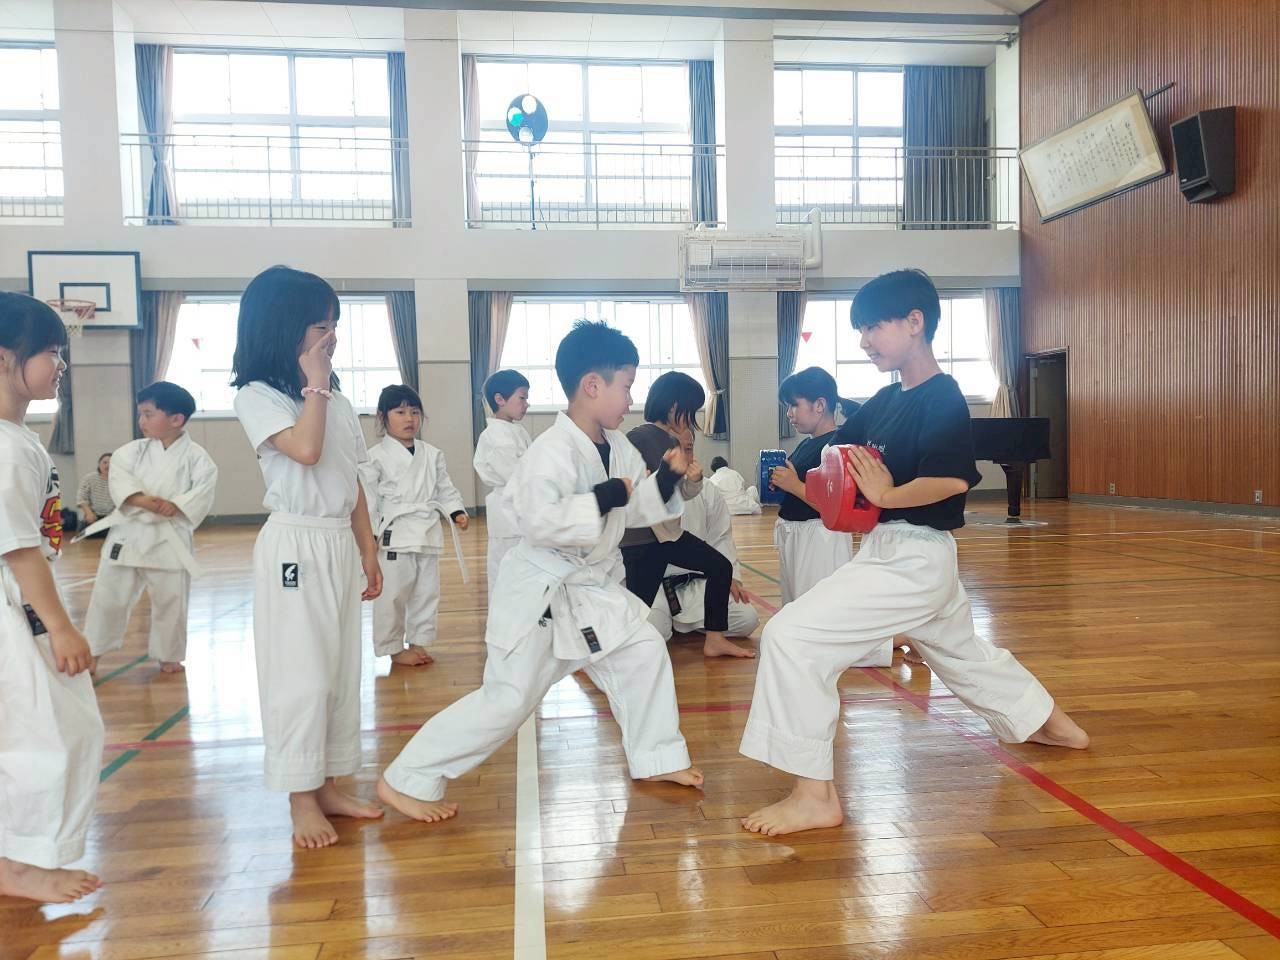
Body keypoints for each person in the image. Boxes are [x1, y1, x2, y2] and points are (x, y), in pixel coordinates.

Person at [740, 269, 1089, 837]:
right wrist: (805, 461)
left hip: (915, 556)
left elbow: (952, 480)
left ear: (914, 322)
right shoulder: (886, 399)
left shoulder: (942, 396)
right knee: (962, 654)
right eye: (860, 331)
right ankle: (1053, 724)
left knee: (789, 637)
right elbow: (835, 445)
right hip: (897, 552)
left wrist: (884, 494)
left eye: (871, 327)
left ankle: (814, 797)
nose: (864, 341)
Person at [377, 320, 703, 826]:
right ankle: (407, 777)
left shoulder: (617, 445)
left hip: (588, 589)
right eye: (626, 386)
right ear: (592, 385)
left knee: (642, 650)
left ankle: (657, 756)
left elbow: (635, 507)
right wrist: (604, 497)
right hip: (541, 593)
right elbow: (539, 521)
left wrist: (666, 478)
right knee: (507, 701)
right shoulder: (550, 450)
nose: (630, 399)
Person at [231, 265, 384, 849]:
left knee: (340, 669)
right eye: (320, 326)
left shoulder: (335, 400)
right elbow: (307, 450)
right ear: (283, 328)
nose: (331, 337)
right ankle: (300, 796)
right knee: (303, 671)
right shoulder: (258, 396)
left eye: (334, 325)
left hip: (338, 541)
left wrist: (367, 549)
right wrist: (316, 384)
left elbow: (352, 479)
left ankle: (327, 785)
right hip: (295, 544)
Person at [0, 292, 104, 903]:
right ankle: (20, 864)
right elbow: (19, 549)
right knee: (52, 732)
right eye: (47, 351)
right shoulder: (7, 447)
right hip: (15, 601)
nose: (60, 363)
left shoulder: (19, 438)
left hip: (19, 595)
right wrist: (61, 627)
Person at [82, 381, 218, 675]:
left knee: (172, 601)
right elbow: (120, 480)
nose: (141, 421)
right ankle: (93, 652)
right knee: (107, 598)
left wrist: (177, 505)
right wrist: (142, 500)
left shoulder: (198, 458)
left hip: (169, 540)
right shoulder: (130, 452)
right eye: (140, 414)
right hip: (128, 535)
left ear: (176, 419)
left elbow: (203, 491)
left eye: (148, 414)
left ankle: (169, 655)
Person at [621, 371, 754, 659]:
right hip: (640, 542)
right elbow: (639, 493)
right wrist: (665, 476)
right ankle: (600, 651)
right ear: (673, 407)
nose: (691, 419)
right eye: (690, 411)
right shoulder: (638, 438)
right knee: (637, 610)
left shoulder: (670, 443)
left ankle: (714, 639)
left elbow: (678, 494)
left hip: (667, 537)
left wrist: (693, 480)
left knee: (720, 566)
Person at [768, 366, 893, 668]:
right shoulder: (806, 443)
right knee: (797, 610)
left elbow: (833, 502)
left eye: (794, 405)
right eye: (787, 407)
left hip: (819, 537)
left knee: (822, 619)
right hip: (796, 533)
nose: (789, 414)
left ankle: (896, 641)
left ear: (820, 405)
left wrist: (793, 485)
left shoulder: (835, 446)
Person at [361, 384, 468, 668]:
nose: (409, 418)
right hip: (394, 534)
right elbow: (369, 499)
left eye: (415, 412)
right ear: (382, 417)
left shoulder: (432, 454)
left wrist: (456, 511)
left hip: (427, 531)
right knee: (393, 595)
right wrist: (370, 535)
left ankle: (419, 642)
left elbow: (444, 488)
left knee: (426, 593)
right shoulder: (374, 457)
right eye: (400, 412)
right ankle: (393, 647)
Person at [648, 427, 759, 645]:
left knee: (747, 619)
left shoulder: (708, 489)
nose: (682, 455)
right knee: (653, 630)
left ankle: (683, 623)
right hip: (656, 585)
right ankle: (671, 622)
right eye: (674, 448)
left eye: (688, 449)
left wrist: (730, 578)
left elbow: (721, 537)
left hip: (696, 583)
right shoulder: (648, 487)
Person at [472, 369, 532, 598]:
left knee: (523, 576)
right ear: (499, 399)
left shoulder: (516, 431)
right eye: (522, 397)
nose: (526, 404)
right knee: (506, 574)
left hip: (521, 508)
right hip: (508, 513)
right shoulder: (495, 436)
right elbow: (516, 475)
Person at [75, 452, 115, 532]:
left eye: (111, 463)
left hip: (112, 517)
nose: (107, 466)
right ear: (99, 464)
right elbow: (81, 497)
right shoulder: (89, 478)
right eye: (104, 462)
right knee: (85, 531)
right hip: (94, 516)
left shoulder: (119, 480)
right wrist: (88, 513)